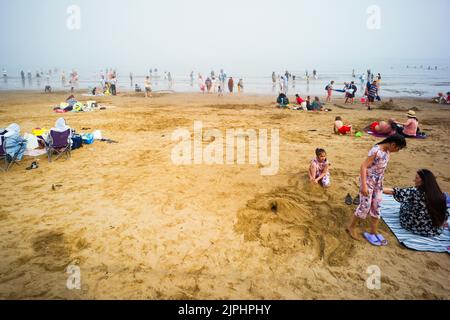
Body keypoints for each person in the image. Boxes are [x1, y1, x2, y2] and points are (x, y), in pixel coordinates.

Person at [346, 135, 407, 244]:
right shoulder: (376, 150)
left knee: (377, 205)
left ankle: (373, 231)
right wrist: (364, 185)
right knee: (365, 206)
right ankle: (350, 226)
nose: (397, 151)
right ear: (393, 144)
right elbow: (363, 166)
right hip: (368, 182)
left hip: (378, 184)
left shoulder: (387, 151)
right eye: (398, 148)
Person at [383, 169, 448, 237]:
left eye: (417, 178)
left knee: (405, 204)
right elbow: (445, 213)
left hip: (415, 226)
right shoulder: (439, 194)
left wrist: (377, 188)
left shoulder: (415, 192)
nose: (414, 180)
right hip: (434, 230)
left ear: (423, 181)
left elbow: (394, 191)